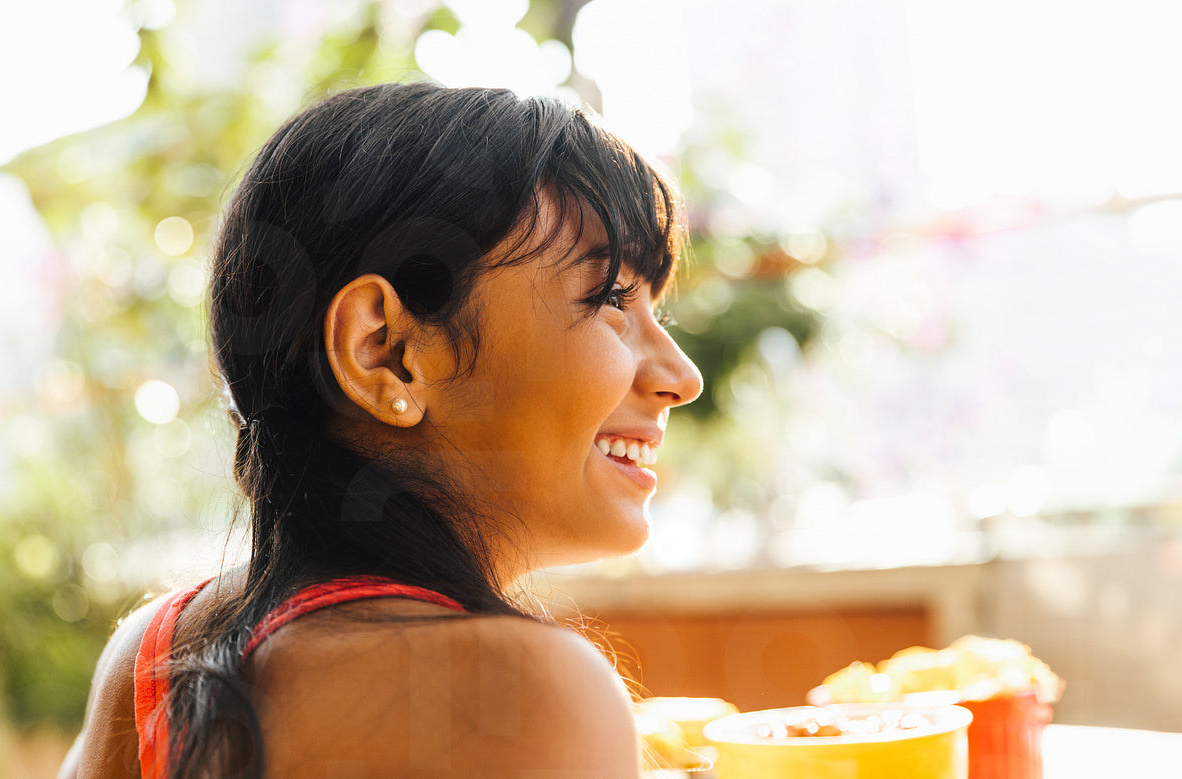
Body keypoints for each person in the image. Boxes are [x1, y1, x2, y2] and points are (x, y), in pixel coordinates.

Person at [58, 81, 703, 778]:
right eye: (611, 297)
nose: (683, 375)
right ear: (386, 354)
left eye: (657, 311)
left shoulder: (152, 657)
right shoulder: (525, 693)